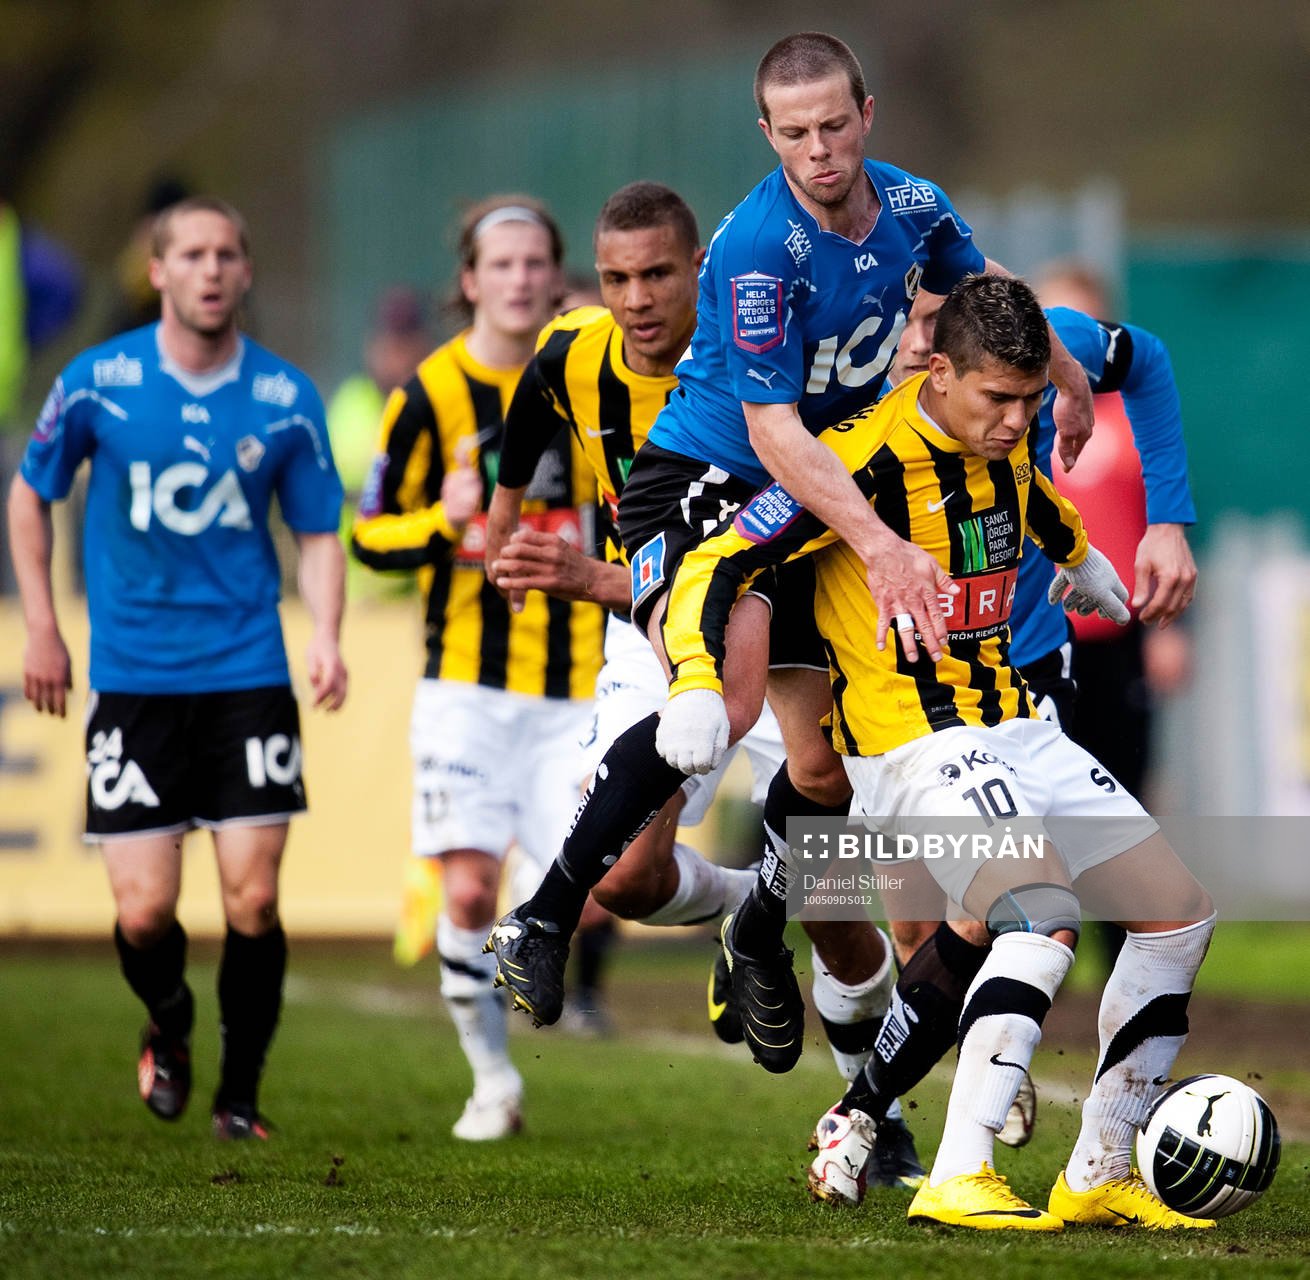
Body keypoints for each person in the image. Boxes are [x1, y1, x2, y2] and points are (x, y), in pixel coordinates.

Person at [484, 32, 1094, 1083]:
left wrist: (1065, 375)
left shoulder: (909, 205)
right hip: (709, 480)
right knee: (718, 702)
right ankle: (540, 918)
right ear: (765, 135)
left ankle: (760, 928)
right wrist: (878, 542)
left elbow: (981, 288)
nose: (817, 150)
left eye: (832, 125)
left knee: (820, 767)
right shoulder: (760, 249)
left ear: (866, 113)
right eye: (793, 132)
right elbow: (769, 428)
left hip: (807, 491)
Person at [659, 273, 1216, 1231]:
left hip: (1015, 719)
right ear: (939, 367)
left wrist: (1089, 570)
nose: (1018, 419)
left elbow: (1037, 499)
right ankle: (956, 1166)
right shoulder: (856, 463)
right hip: (911, 744)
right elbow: (715, 561)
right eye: (1000, 399)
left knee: (1176, 916)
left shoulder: (999, 430)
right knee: (1027, 914)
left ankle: (1096, 1169)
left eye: (1033, 399)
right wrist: (695, 683)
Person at [484, 178, 922, 1186]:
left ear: (702, 273)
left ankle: (876, 1111)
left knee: (838, 896)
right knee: (630, 876)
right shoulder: (573, 352)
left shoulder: (760, 340)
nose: (634, 299)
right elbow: (530, 413)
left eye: (655, 276)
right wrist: (500, 520)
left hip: (790, 583)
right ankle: (731, 906)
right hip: (667, 601)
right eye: (614, 279)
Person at [7, 196, 348, 1141]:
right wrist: (42, 624)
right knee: (146, 908)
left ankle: (240, 1098)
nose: (210, 269)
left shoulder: (285, 396)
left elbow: (318, 531)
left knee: (252, 895)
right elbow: (31, 499)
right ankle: (171, 1020)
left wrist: (323, 631)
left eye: (227, 254)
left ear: (245, 272)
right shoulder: (96, 382)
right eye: (191, 254)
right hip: (133, 677)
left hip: (246, 671)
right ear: (157, 271)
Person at [351, 195, 606, 1141]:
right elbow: (367, 535)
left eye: (536, 262)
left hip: (580, 684)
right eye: (500, 265)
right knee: (465, 889)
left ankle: (751, 913)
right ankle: (492, 1079)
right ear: (469, 281)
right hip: (464, 683)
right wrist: (445, 520)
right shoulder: (424, 394)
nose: (520, 279)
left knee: (586, 897)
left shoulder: (594, 371)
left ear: (555, 272)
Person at [326, 286, 432, 602]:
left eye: (407, 343)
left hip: (420, 592)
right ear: (372, 347)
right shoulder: (352, 403)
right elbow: (341, 489)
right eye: (391, 344)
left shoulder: (438, 398)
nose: (398, 356)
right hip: (359, 590)